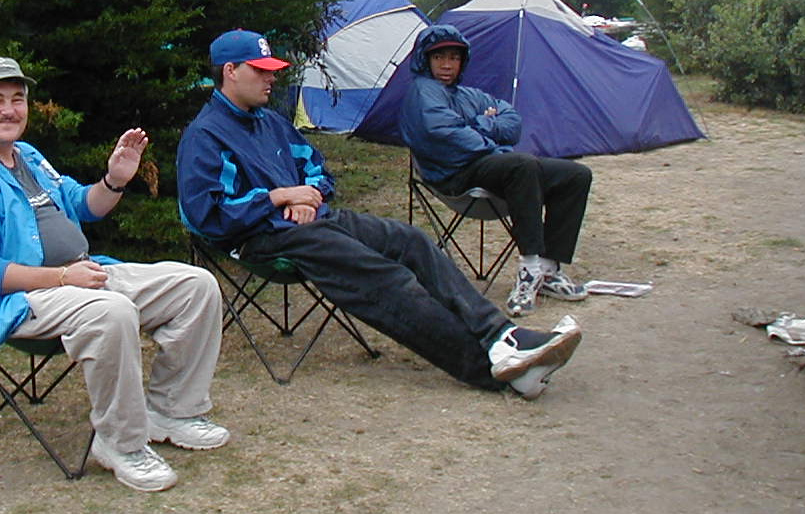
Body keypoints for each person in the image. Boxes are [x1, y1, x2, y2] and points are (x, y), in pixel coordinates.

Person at [176, 29, 582, 399]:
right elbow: (205, 215)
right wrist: (279, 197)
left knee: (412, 240)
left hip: (311, 220)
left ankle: (501, 337)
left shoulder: (271, 123)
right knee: (382, 276)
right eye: (261, 70)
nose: (272, 78)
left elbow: (316, 168)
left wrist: (309, 196)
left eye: (273, 70)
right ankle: (492, 371)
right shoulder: (206, 135)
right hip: (260, 238)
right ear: (230, 71)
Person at [0, 56, 228, 492]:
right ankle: (121, 444)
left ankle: (172, 411)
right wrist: (62, 279)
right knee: (112, 311)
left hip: (83, 275)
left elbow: (81, 206)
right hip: (19, 302)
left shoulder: (25, 156)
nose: (10, 109)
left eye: (18, 99)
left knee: (195, 285)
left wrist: (115, 180)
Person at [400, 23, 594, 318]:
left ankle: (548, 270)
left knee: (575, 175)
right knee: (521, 164)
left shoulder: (467, 94)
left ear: (462, 62)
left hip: (488, 164)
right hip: (453, 174)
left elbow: (512, 122)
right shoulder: (422, 91)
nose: (447, 65)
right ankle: (528, 269)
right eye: (439, 58)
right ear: (425, 60)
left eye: (454, 58)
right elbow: (443, 132)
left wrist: (480, 124)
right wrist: (488, 129)